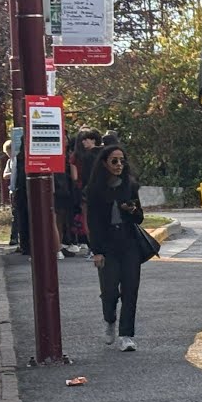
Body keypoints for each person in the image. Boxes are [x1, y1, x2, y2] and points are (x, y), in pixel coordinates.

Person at [85, 145, 146, 352]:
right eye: (114, 161)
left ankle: (126, 335)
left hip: (129, 243)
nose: (119, 165)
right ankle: (109, 319)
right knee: (109, 291)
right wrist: (97, 251)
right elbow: (92, 222)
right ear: (104, 163)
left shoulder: (130, 185)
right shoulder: (94, 189)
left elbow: (139, 218)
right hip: (107, 244)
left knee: (130, 290)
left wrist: (131, 210)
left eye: (122, 160)